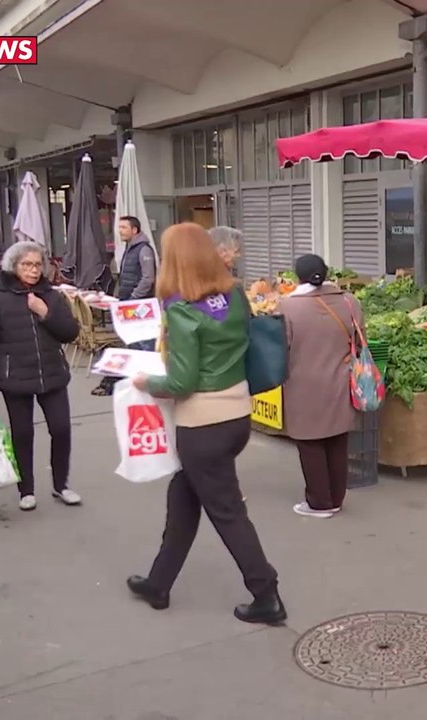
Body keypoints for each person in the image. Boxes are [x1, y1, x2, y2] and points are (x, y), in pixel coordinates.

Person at [126, 223, 283, 625]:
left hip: (202, 425)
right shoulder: (235, 295)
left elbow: (182, 382)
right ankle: (159, 583)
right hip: (237, 415)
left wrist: (145, 382)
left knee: (227, 512)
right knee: (183, 495)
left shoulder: (181, 310)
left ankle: (266, 592)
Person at [0, 242, 82, 511]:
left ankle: (61, 485)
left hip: (52, 374)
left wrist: (45, 312)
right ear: (14, 266)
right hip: (16, 378)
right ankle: (27, 490)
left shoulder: (50, 295)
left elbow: (70, 332)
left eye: (37, 265)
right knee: (22, 434)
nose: (34, 271)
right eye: (27, 265)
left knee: (61, 429)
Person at [276, 253, 362, 518]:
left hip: (303, 384)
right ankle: (336, 498)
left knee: (310, 441)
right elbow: (360, 341)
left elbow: (279, 348)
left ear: (298, 277)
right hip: (341, 381)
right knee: (337, 439)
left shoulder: (288, 307)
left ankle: (319, 502)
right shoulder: (349, 302)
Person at [93, 216, 158, 396]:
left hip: (139, 305)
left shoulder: (143, 249)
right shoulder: (130, 248)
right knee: (132, 343)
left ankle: (148, 382)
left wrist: (133, 297)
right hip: (130, 303)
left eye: (123, 227)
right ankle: (135, 382)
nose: (119, 230)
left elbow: (148, 278)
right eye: (119, 227)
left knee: (143, 344)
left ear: (134, 230)